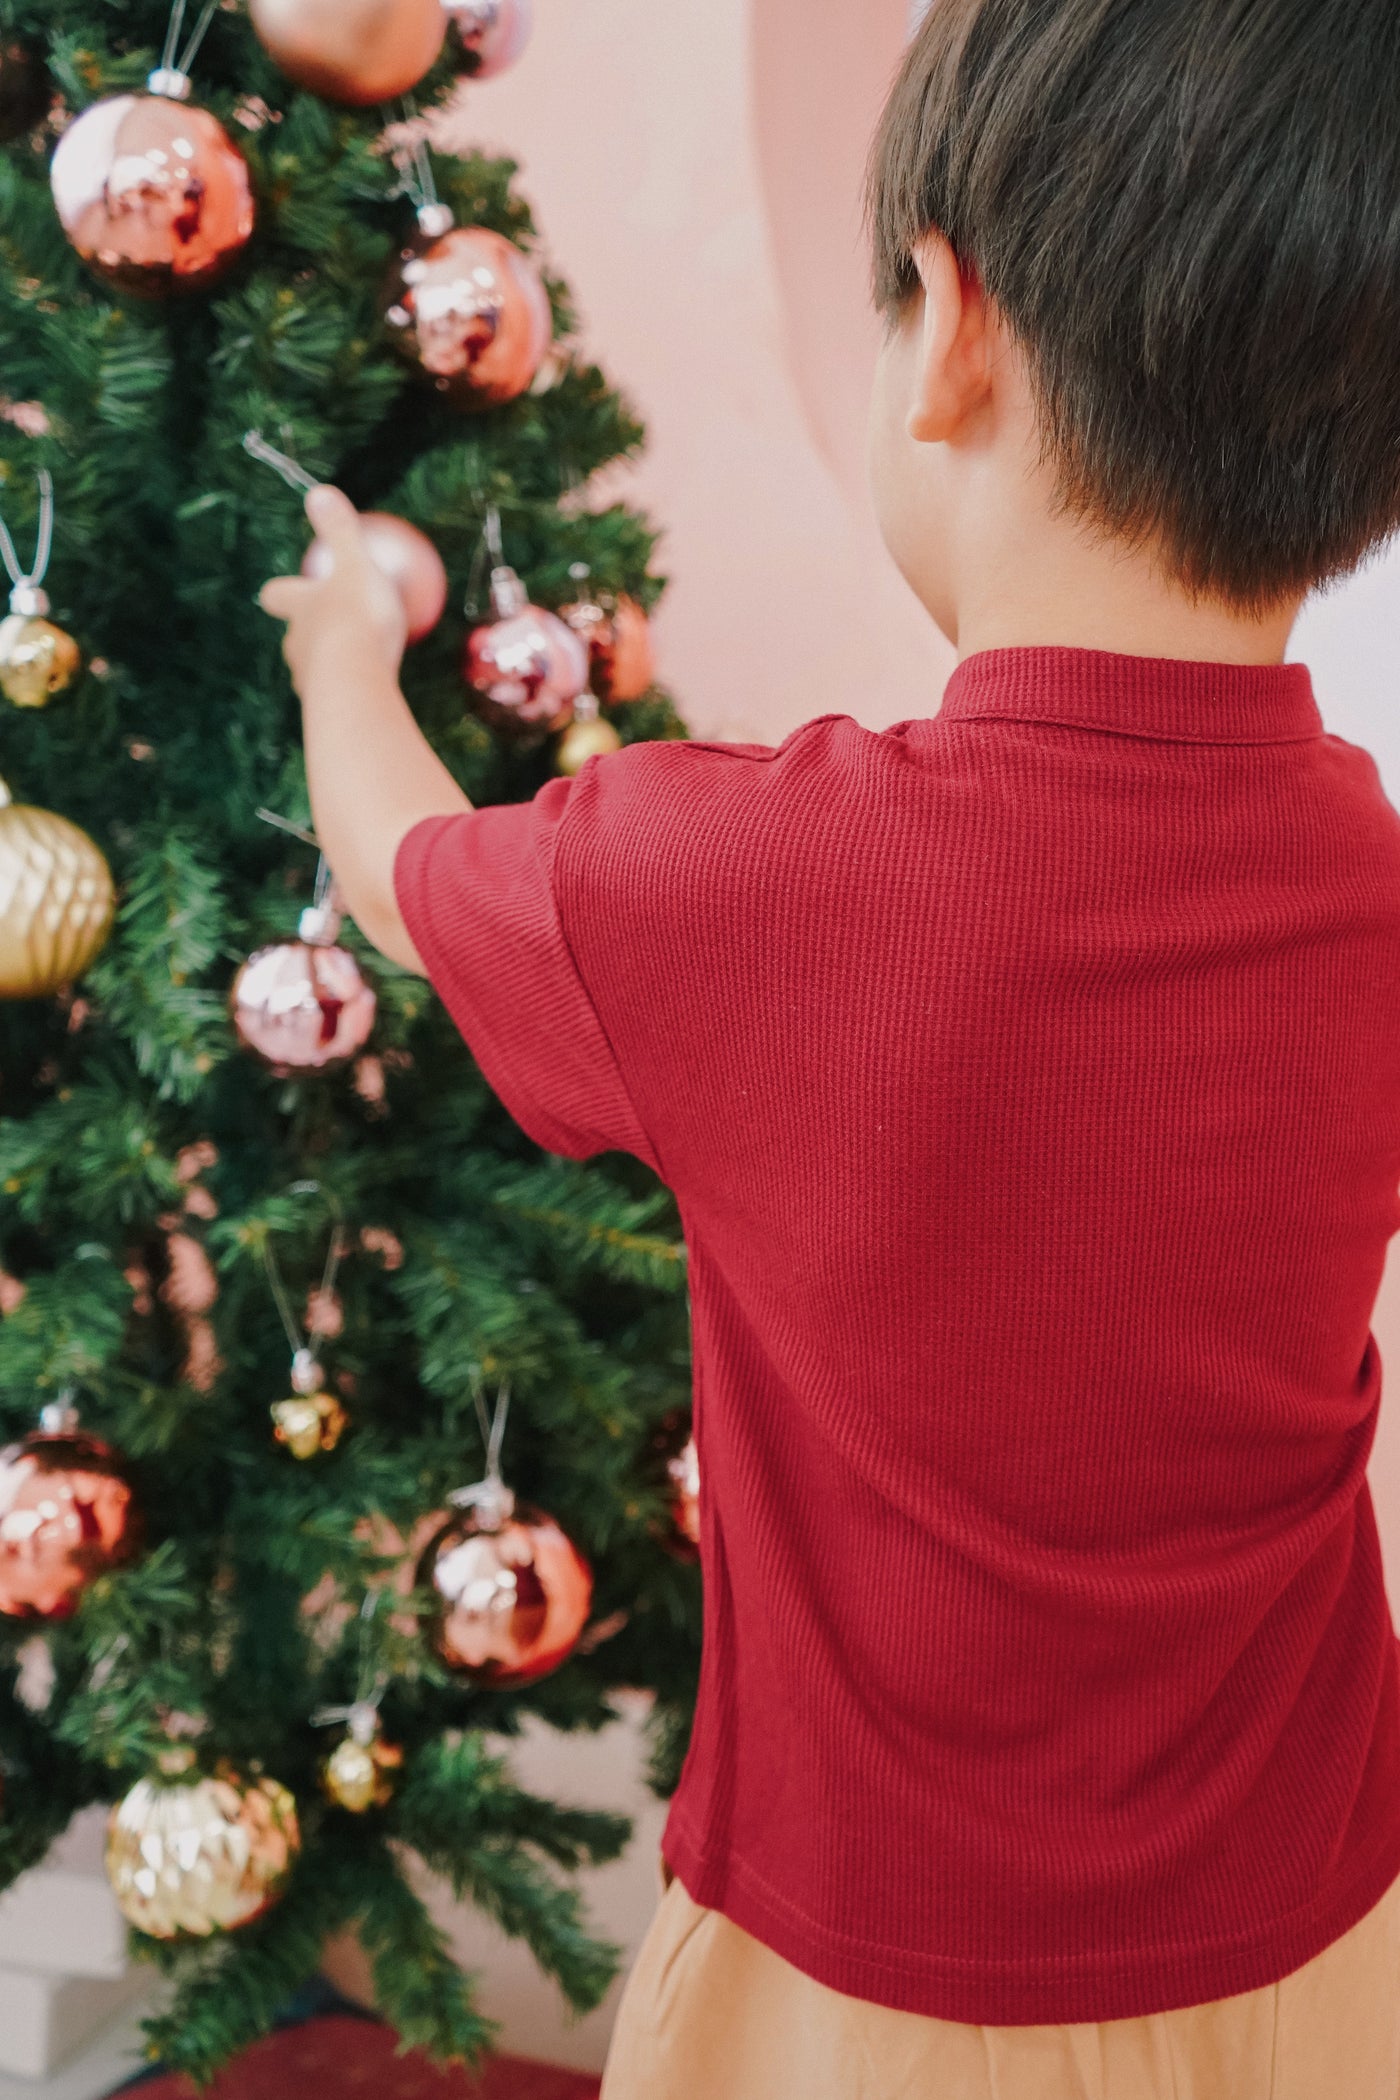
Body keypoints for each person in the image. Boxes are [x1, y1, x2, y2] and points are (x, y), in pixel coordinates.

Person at [258, 0, 1400, 2091]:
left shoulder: (749, 878)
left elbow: (404, 869)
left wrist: (346, 644)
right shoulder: (1363, 863)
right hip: (1323, 1935)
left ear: (946, 324)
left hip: (872, 1999)